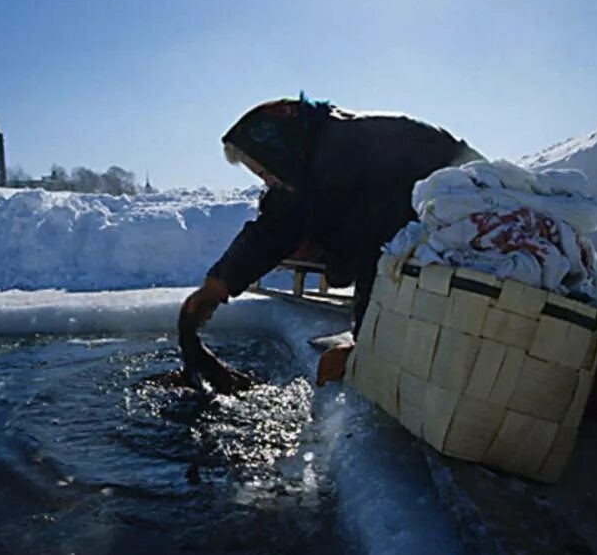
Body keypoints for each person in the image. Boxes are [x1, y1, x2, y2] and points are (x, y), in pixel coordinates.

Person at [178, 94, 484, 392]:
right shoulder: (308, 158)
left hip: (471, 226)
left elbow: (378, 250)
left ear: (276, 149)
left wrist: (364, 346)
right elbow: (275, 228)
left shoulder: (349, 154)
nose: (268, 180)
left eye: (264, 170)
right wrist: (218, 284)